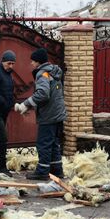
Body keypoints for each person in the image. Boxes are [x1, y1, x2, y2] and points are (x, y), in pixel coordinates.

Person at [15, 48, 67, 180]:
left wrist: (26, 104)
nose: (31, 64)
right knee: (54, 142)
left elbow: (43, 93)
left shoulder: (42, 73)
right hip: (58, 113)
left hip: (49, 115)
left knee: (43, 143)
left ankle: (42, 171)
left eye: (33, 61)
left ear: (38, 62)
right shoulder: (54, 72)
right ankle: (57, 170)